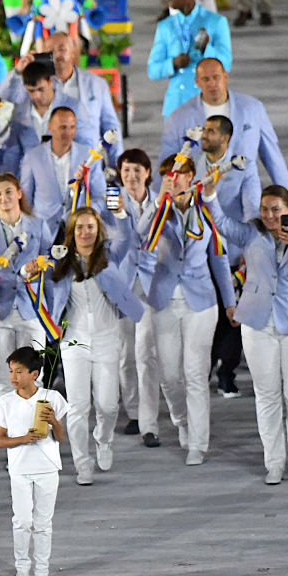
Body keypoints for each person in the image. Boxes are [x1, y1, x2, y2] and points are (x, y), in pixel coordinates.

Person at [202, 180, 288, 484]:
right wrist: (210, 194)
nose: (270, 215)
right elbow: (220, 222)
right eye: (265, 209)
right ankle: (274, 460)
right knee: (267, 394)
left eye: (276, 209)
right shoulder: (251, 232)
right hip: (258, 324)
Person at [138, 154, 236, 466]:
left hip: (201, 301)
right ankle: (181, 420)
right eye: (169, 174)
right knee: (168, 374)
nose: (175, 179)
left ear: (192, 176)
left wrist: (230, 301)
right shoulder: (158, 210)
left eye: (180, 173)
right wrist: (157, 202)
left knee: (195, 372)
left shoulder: (206, 211)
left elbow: (219, 258)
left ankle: (198, 442)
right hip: (165, 298)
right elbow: (140, 237)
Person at [47, 207, 144, 485]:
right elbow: (42, 277)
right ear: (72, 232)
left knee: (108, 405)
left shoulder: (110, 255)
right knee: (77, 406)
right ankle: (82, 463)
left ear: (98, 230)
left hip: (106, 338)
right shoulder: (62, 262)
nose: (85, 232)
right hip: (74, 340)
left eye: (90, 227)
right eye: (79, 228)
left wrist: (121, 212)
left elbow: (127, 237)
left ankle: (103, 438)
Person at [0, 346, 66, 576]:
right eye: (11, 371)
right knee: (22, 521)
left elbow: (61, 437)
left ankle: (42, 572)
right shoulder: (5, 402)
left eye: (19, 372)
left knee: (43, 523)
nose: (13, 377)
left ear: (34, 374)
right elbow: (0, 440)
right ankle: (22, 570)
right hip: (20, 469)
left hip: (47, 468)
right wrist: (23, 438)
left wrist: (53, 421)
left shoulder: (51, 398)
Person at [160, 57, 288, 197]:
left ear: (225, 77)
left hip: (246, 203)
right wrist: (160, 207)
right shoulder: (179, 117)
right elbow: (166, 168)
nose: (212, 83)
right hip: (198, 204)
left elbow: (274, 159)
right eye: (206, 79)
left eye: (216, 77)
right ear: (197, 82)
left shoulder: (253, 108)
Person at [196, 114, 261, 397]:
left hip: (233, 250)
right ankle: (203, 369)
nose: (204, 134)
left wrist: (251, 248)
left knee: (234, 316)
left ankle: (227, 372)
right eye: (204, 129)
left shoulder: (243, 168)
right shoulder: (192, 164)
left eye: (211, 131)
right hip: (199, 253)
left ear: (225, 138)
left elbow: (253, 210)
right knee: (206, 313)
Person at [0, 173, 52, 396]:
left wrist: (41, 269)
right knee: (6, 380)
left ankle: (38, 431)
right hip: (0, 313)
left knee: (36, 377)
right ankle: (10, 430)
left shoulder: (38, 225)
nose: (4, 197)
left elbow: (51, 262)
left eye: (8, 192)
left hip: (32, 310)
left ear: (19, 193)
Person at [105, 148, 162, 446]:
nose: (131, 176)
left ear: (148, 173)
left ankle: (150, 424)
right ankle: (135, 412)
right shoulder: (112, 202)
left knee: (146, 353)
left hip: (151, 285)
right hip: (122, 285)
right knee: (125, 353)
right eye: (126, 171)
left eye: (137, 170)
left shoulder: (160, 201)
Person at [147, 0, 232, 118]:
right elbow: (153, 70)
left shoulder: (216, 22)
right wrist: (173, 63)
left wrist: (207, 49)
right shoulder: (165, 26)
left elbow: (226, 64)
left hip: (208, 101)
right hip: (177, 104)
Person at [20, 106, 106, 241]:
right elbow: (25, 199)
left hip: (79, 232)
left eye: (72, 127)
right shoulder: (32, 156)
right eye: (63, 127)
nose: (68, 132)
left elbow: (100, 195)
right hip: (43, 233)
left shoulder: (88, 155)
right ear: (50, 127)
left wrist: (87, 213)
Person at [45, 32, 122, 164]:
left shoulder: (96, 84)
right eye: (51, 51)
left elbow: (111, 126)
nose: (57, 55)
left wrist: (117, 163)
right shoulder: (38, 88)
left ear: (74, 51)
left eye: (62, 49)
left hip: (89, 161)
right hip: (50, 162)